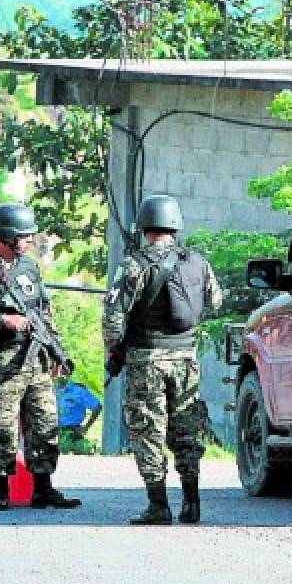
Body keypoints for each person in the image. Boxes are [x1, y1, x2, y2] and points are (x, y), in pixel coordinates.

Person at [103, 194, 222, 525]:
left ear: (144, 226)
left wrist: (114, 350)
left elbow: (113, 315)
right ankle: (192, 503)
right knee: (186, 428)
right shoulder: (198, 262)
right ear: (175, 226)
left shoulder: (135, 264)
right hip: (186, 360)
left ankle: (158, 505)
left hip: (147, 361)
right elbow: (215, 300)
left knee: (147, 429)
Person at [0, 203, 82, 512]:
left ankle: (44, 487)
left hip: (36, 356)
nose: (29, 241)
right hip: (3, 361)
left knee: (45, 421)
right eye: (24, 235)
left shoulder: (30, 269)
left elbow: (43, 311)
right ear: (6, 236)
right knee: (3, 424)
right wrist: (3, 321)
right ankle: (1, 488)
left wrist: (54, 348)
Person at [55, 375, 102, 446]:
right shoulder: (47, 389)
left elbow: (97, 407)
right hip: (51, 433)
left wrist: (86, 427)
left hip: (71, 434)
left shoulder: (78, 391)